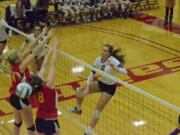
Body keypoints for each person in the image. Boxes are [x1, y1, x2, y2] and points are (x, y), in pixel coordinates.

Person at [68, 44, 127, 135]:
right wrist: (87, 86)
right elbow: (92, 73)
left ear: (109, 53)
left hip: (110, 88)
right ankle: (78, 109)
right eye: (102, 50)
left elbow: (124, 72)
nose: (103, 52)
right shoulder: (98, 60)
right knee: (79, 91)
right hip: (101, 83)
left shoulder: (113, 61)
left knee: (97, 111)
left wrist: (114, 67)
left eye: (105, 51)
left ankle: (89, 130)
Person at [6, 27, 50, 135]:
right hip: (21, 98)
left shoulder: (16, 64)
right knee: (31, 127)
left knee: (18, 122)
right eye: (19, 55)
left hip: (13, 97)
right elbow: (34, 52)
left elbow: (30, 46)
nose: (21, 54)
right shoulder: (20, 67)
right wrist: (46, 39)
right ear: (17, 60)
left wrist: (42, 34)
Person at [28, 38, 60, 135]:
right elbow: (52, 65)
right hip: (51, 120)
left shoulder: (36, 88)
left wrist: (50, 50)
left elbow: (45, 65)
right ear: (41, 81)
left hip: (39, 119)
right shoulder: (49, 85)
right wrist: (55, 47)